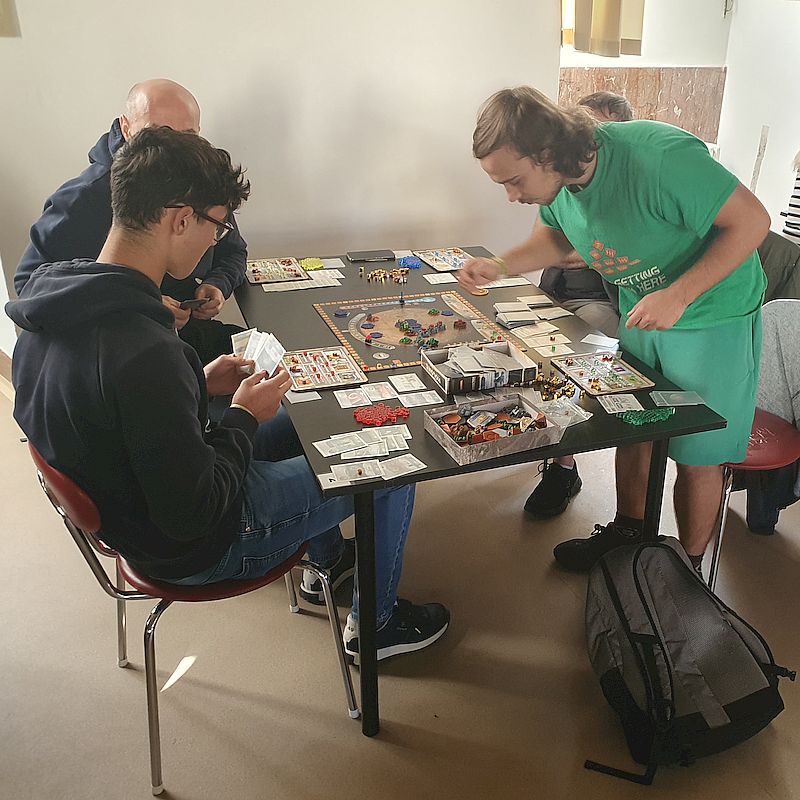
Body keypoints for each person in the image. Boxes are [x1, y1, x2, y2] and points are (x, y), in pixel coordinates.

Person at [7, 126, 449, 662]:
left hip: (142, 499)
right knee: (394, 463)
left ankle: (326, 566)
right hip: (198, 543)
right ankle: (376, 628)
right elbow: (196, 512)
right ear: (180, 219)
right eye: (216, 225)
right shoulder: (144, 349)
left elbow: (111, 411)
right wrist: (241, 415)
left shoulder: (51, 305)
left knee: (325, 415)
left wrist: (194, 382)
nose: (216, 241)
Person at [458, 86, 769, 575]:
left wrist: (678, 295)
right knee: (636, 427)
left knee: (696, 455)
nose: (511, 196)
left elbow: (752, 222)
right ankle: (627, 534)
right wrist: (500, 265)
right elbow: (555, 237)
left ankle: (684, 575)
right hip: (644, 307)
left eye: (514, 181)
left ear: (547, 152)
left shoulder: (658, 157)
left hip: (713, 316)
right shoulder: (561, 183)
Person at [15, 79, 246, 365]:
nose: (174, 150)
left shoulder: (202, 185)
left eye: (188, 137)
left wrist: (217, 283)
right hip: (121, 346)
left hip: (184, 335)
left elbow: (233, 251)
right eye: (160, 134)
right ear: (126, 128)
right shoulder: (83, 198)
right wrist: (139, 302)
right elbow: (30, 284)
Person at [525, 92, 632, 518]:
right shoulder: (563, 185)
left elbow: (614, 254)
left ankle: (563, 468)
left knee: (569, 360)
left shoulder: (626, 186)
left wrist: (585, 252)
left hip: (605, 304)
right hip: (557, 294)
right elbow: (547, 246)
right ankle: (543, 444)